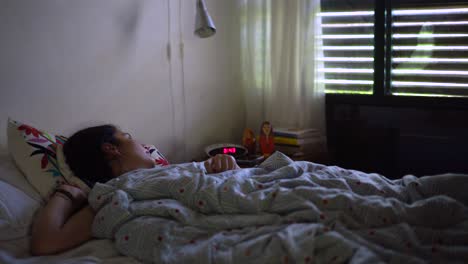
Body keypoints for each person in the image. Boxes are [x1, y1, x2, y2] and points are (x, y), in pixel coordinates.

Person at [30, 125, 240, 255]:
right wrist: (65, 194)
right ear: (110, 148)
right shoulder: (111, 195)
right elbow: (45, 243)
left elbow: (241, 184)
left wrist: (228, 164)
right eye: (127, 136)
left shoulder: (172, 170)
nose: (142, 144)